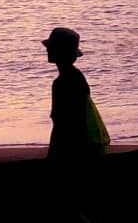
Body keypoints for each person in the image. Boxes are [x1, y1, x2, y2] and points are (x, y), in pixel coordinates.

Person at [43, 27, 107, 161]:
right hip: (80, 142)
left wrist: (53, 154)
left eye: (51, 47)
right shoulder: (77, 77)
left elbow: (60, 123)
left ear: (59, 52)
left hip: (69, 145)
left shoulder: (61, 82)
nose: (47, 50)